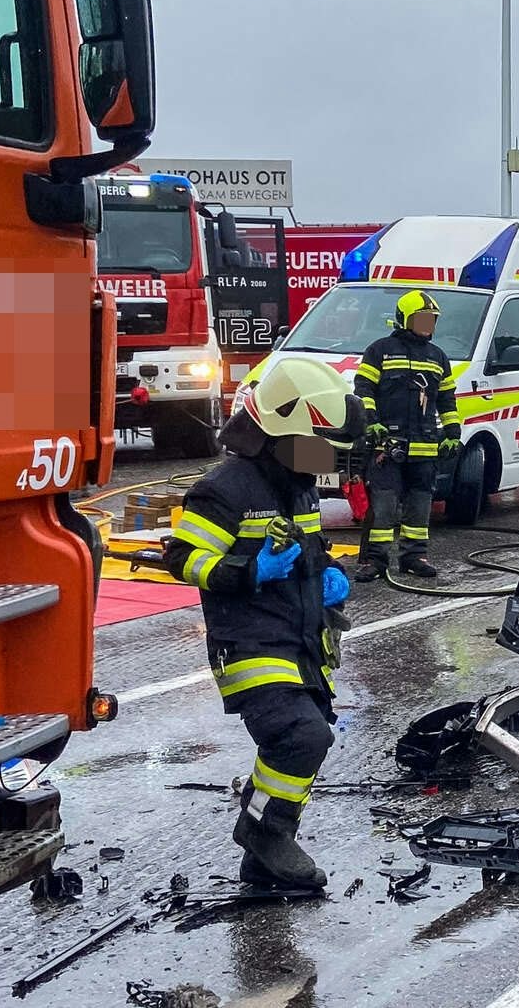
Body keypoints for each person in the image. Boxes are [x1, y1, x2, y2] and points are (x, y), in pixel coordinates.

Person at [165, 358, 358, 892]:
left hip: (301, 639)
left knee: (305, 740)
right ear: (281, 430)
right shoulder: (223, 489)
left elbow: (315, 552)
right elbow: (184, 560)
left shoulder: (298, 486)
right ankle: (268, 834)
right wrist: (250, 571)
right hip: (247, 640)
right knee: (299, 735)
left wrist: (332, 577)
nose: (325, 458)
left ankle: (264, 851)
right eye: (317, 442)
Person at [352, 290, 461, 581]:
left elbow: (447, 400)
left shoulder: (438, 357)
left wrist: (452, 432)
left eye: (432, 319)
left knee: (419, 506)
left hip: (425, 447)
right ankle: (375, 560)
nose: (428, 324)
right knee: (384, 506)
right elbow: (363, 388)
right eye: (421, 318)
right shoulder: (380, 351)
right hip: (387, 447)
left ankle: (414, 557)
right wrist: (371, 422)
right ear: (404, 320)